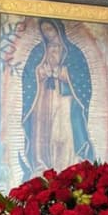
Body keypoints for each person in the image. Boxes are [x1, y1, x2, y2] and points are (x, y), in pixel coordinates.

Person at [21, 19, 94, 180]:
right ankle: (42, 166)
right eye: (44, 30)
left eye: (50, 29)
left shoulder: (73, 52)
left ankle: (66, 165)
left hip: (64, 99)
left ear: (58, 29)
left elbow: (83, 78)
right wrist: (40, 72)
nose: (48, 33)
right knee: (42, 130)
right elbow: (27, 75)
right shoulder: (38, 51)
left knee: (62, 131)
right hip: (43, 98)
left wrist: (62, 73)